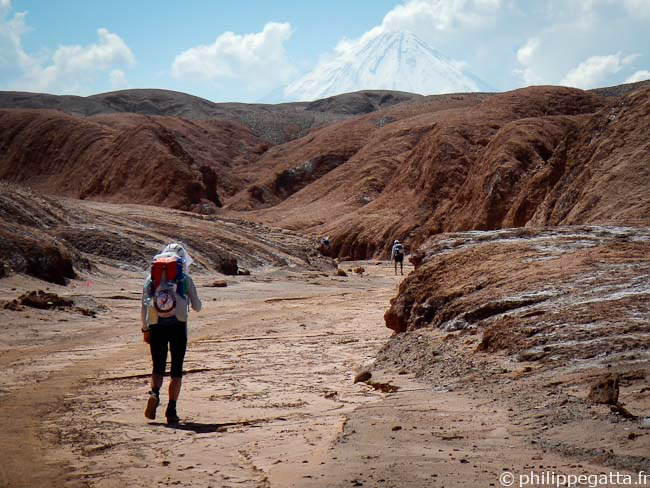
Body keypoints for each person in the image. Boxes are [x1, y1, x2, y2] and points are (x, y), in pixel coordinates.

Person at [141, 243, 201, 424]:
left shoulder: (151, 278)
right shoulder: (184, 279)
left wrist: (145, 329)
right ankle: (171, 410)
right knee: (176, 370)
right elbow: (197, 306)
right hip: (178, 326)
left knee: (158, 366)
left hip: (156, 325)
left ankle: (154, 394)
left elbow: (144, 305)